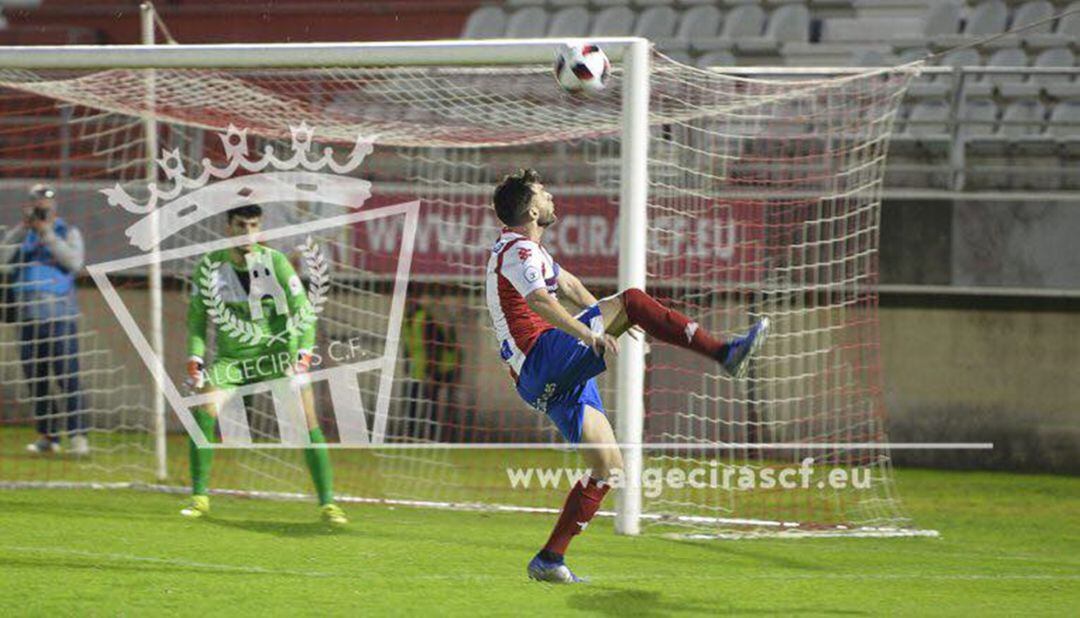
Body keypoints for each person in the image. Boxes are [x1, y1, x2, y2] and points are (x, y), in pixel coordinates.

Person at [485, 169, 769, 583]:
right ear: (531, 210)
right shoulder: (520, 250)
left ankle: (549, 559)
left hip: (545, 379)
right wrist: (590, 331)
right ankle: (725, 353)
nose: (550, 197)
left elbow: (571, 286)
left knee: (608, 466)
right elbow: (540, 301)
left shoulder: (527, 250)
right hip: (542, 357)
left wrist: (607, 319)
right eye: (543, 194)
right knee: (634, 299)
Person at [182, 204, 347, 525]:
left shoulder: (276, 263)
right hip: (233, 361)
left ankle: (329, 505)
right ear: (228, 228)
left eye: (253, 226)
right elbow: (197, 319)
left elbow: (304, 313)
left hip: (278, 358)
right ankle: (199, 498)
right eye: (241, 225)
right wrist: (195, 358)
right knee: (204, 409)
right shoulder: (209, 267)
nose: (247, 233)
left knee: (307, 422)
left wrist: (302, 357)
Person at [0, 184, 88, 455]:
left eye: (46, 202)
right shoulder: (21, 234)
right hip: (27, 317)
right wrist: (23, 229)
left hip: (60, 316)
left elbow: (74, 263)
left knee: (67, 377)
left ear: (54, 205)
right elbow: (2, 259)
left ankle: (78, 436)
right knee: (36, 380)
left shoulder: (67, 231)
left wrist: (47, 233)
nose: (42, 206)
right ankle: (48, 437)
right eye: (37, 202)